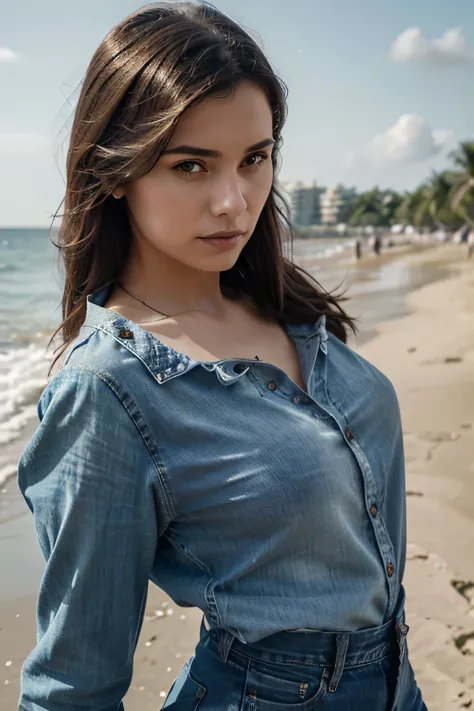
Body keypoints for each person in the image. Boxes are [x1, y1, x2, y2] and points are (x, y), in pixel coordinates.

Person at [17, 3, 427, 710]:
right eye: (190, 165)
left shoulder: (280, 307)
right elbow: (73, 684)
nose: (234, 201)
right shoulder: (109, 391)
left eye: (254, 158)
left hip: (397, 684)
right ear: (116, 171)